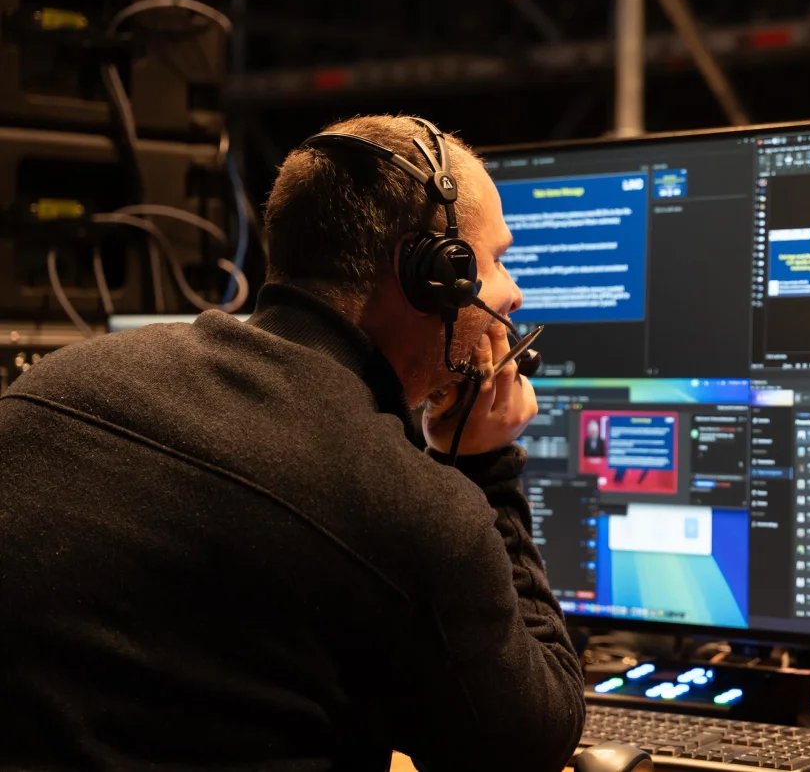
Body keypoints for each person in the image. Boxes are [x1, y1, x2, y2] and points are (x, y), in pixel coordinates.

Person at [0, 115, 585, 771]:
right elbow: (533, 741)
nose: (514, 292)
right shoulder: (408, 506)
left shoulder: (53, 384)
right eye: (497, 258)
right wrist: (486, 465)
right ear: (431, 273)